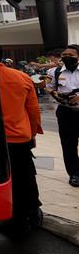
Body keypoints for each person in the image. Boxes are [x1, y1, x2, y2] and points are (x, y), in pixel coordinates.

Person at [0, 44, 43, 236]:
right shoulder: (21, 76)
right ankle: (33, 212)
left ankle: (14, 217)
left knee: (6, 179)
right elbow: (33, 110)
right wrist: (32, 134)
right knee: (26, 175)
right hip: (20, 138)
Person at [45, 44, 79, 188]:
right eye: (64, 55)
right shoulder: (55, 71)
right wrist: (54, 93)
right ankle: (74, 174)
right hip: (65, 112)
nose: (66, 57)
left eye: (71, 55)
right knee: (68, 145)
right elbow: (49, 87)